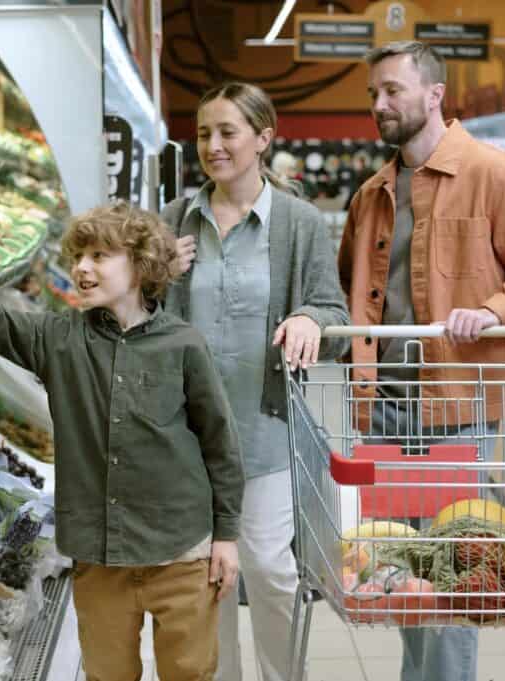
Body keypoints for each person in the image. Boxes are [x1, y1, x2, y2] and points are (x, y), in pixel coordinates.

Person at [0, 204, 244, 681]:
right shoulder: (58, 339)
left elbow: (219, 441)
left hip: (180, 551)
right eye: (78, 255)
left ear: (141, 264)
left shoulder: (183, 345)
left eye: (100, 255)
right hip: (100, 555)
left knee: (190, 672)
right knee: (107, 673)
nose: (82, 267)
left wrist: (226, 536)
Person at [337, 41, 505, 681]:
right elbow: (350, 294)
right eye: (373, 94)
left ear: (434, 94)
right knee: (409, 572)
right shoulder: (372, 195)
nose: (379, 105)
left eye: (393, 91)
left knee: (453, 568)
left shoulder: (490, 172)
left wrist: (496, 310)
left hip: (464, 403)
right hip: (386, 409)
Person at [161, 82, 350, 681]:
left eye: (227, 132)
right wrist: (158, 274)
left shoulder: (298, 223)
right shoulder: (174, 220)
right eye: (203, 134)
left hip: (265, 426)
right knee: (205, 576)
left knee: (270, 569)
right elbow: (139, 319)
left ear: (264, 139)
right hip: (188, 434)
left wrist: (307, 317)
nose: (212, 146)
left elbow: (334, 312)